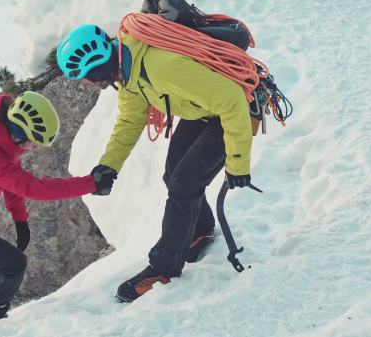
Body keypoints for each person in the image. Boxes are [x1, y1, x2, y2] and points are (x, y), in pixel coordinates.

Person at [56, 24, 254, 302]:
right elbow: (130, 119)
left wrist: (238, 164)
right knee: (173, 173)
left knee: (184, 183)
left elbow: (232, 100)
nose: (85, 84)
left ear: (95, 65)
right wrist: (109, 166)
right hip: (204, 110)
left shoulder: (160, 67)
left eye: (83, 77)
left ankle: (163, 269)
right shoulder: (127, 68)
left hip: (235, 111)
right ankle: (200, 230)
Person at [0, 91, 112, 336]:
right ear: (18, 130)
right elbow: (32, 187)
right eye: (33, 140)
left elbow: (12, 182)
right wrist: (92, 184)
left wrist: (20, 219)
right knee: (13, 264)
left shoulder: (1, 142)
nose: (34, 147)